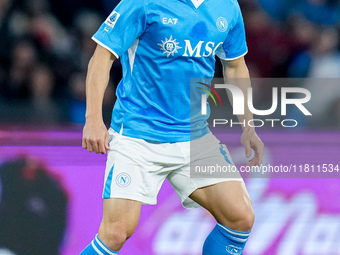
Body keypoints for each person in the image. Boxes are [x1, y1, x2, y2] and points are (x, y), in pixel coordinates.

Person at [81, 0, 264, 254]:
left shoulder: (227, 6)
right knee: (116, 232)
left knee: (240, 218)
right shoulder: (143, 3)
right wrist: (93, 119)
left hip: (194, 137)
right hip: (137, 136)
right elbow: (101, 58)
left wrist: (249, 126)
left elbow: (235, 65)